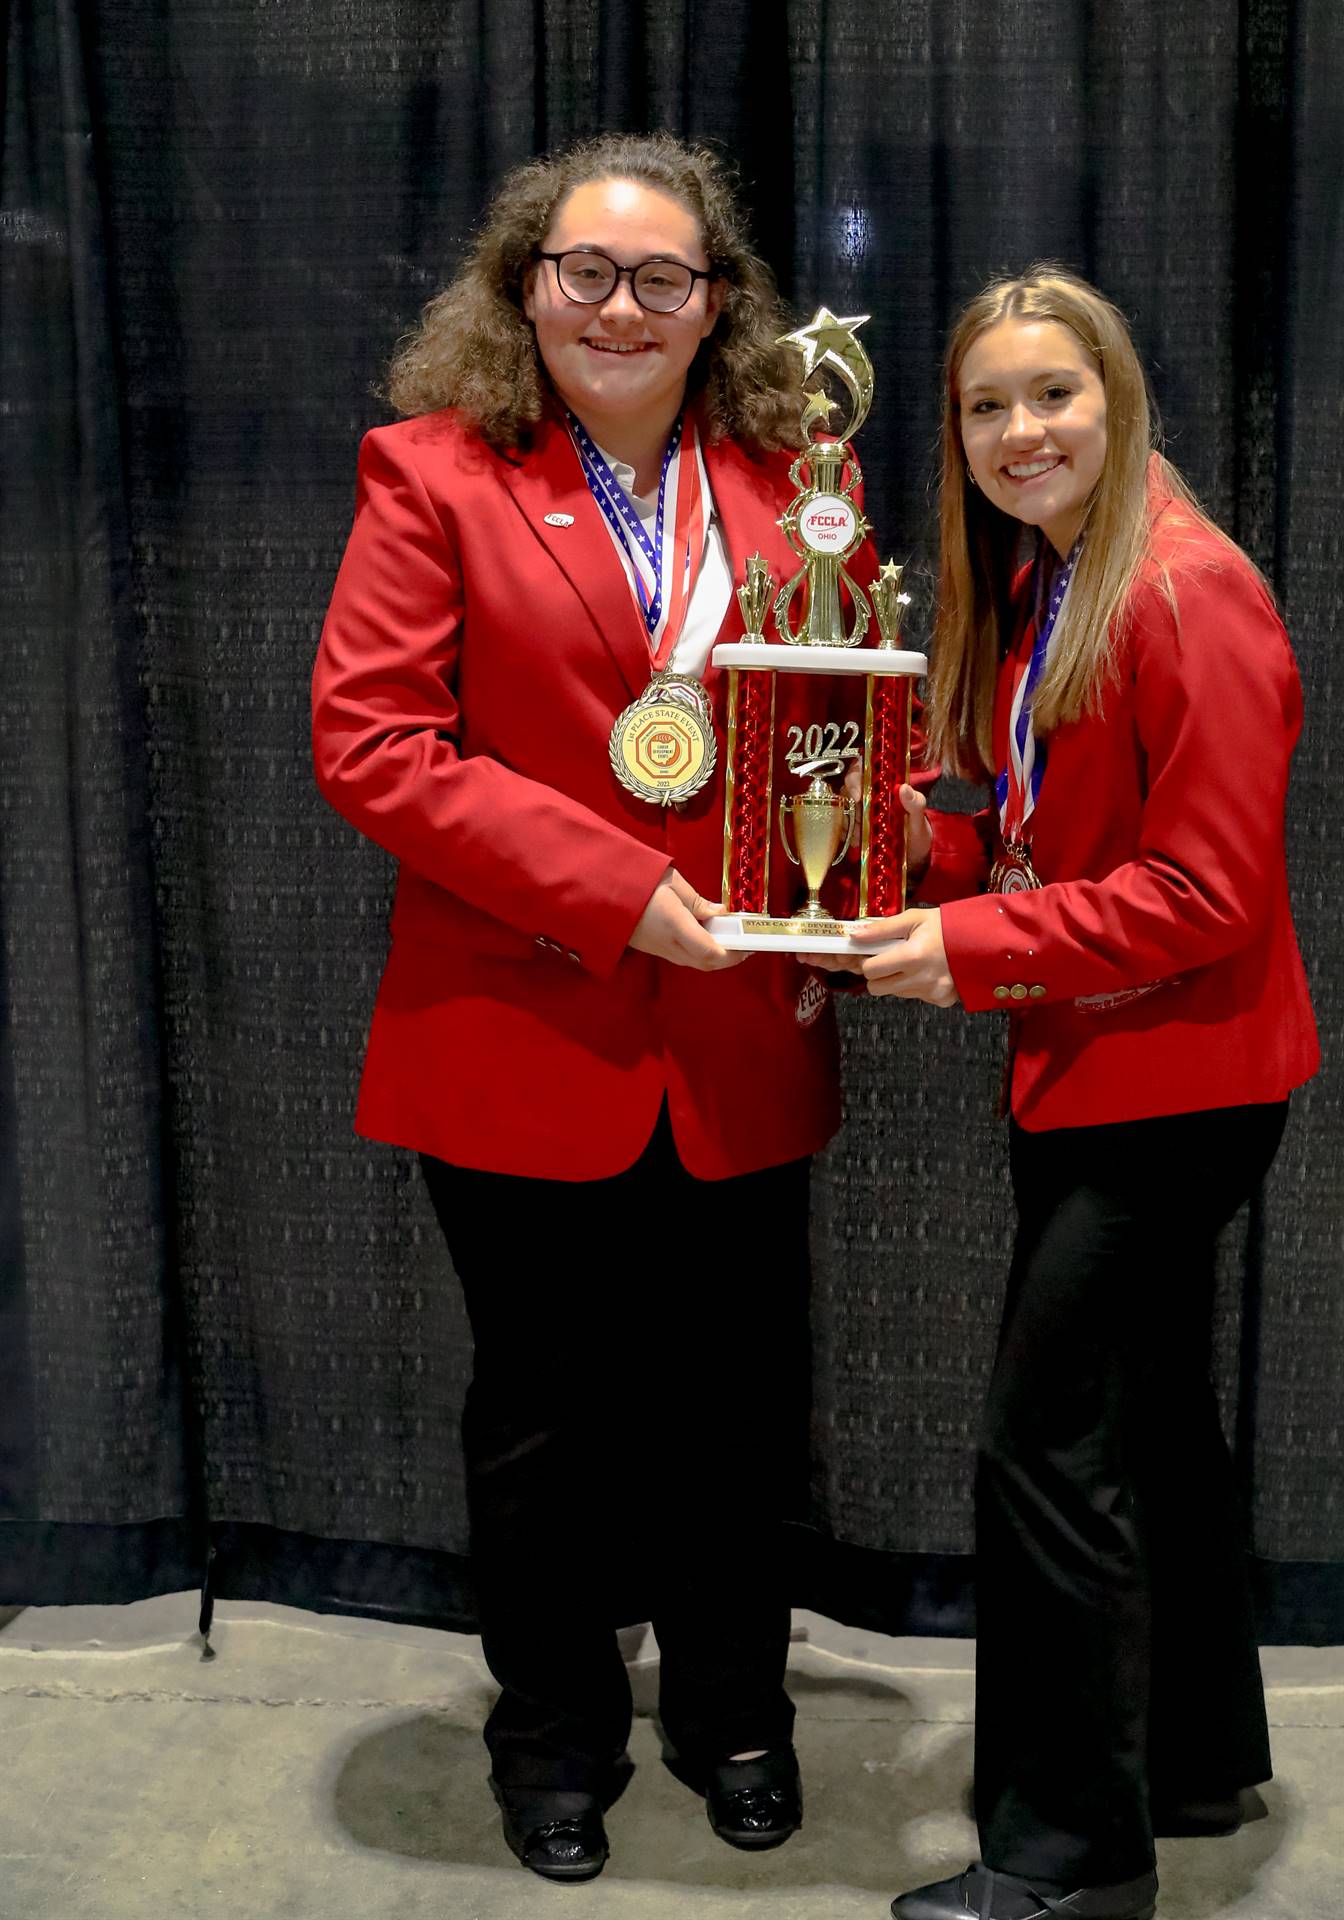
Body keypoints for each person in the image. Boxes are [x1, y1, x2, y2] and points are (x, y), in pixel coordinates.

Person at [311, 133, 897, 1884]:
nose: (622, 307)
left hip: (739, 1032)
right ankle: (553, 1731)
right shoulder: (431, 475)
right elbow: (376, 745)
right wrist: (620, 891)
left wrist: (872, 872)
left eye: (664, 278)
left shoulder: (801, 482)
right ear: (526, 285)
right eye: (585, 272)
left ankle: (738, 1716)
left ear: (720, 304)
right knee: (544, 1423)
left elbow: (839, 724)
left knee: (738, 1414)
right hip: (523, 1030)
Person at [809, 265, 1319, 1920]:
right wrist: (921, 854)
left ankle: (1071, 1864)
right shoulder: (1056, 581)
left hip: (1177, 1088)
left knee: (1050, 1447)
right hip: (1105, 1067)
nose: (1020, 430)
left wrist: (968, 941)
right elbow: (1061, 850)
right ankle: (1187, 1755)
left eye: (1053, 395)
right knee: (1153, 1428)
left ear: (1117, 397)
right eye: (985, 406)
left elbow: (1205, 897)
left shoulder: (1187, 591)